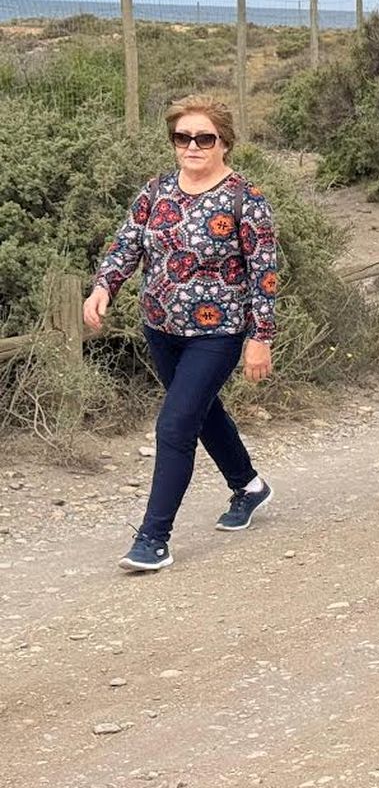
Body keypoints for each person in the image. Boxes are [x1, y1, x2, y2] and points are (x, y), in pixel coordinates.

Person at [84, 95, 279, 572]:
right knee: (200, 411)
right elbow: (126, 243)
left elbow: (265, 274)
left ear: (224, 143)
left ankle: (154, 539)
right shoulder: (155, 192)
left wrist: (261, 337)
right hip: (160, 328)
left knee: (175, 425)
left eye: (204, 137)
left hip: (219, 334)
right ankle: (249, 486)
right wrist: (103, 287)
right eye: (182, 137)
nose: (192, 146)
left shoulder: (245, 201)